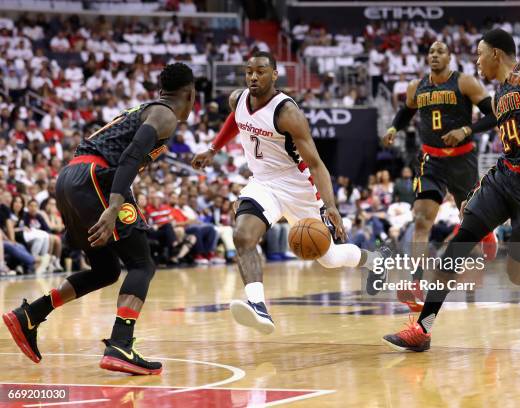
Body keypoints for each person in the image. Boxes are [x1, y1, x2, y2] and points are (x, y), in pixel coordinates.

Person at [382, 28, 520, 352]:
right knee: (459, 243)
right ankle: (422, 330)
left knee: (519, 274)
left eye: (480, 53)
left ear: (495, 53)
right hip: (507, 175)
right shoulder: (498, 94)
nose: (477, 61)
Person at [2, 63, 195, 374]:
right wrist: (114, 204)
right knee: (142, 264)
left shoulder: (147, 109)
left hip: (70, 178)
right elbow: (131, 156)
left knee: (105, 269)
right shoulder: (165, 114)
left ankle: (30, 314)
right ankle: (121, 343)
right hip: (95, 178)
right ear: (190, 93)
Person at [192, 52, 390, 334]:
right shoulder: (238, 100)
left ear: (274, 74)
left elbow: (316, 164)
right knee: (242, 236)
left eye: (260, 71)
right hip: (262, 183)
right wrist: (213, 149)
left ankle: (373, 260)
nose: (253, 77)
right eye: (249, 71)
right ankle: (258, 305)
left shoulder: (287, 113)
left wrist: (331, 205)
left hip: (298, 187)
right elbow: (236, 120)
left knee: (330, 259)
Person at [378, 41, 498, 299]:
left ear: (450, 57)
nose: (434, 55)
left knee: (470, 217)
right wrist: (393, 128)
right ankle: (415, 282)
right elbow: (405, 112)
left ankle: (485, 234)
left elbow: (494, 115)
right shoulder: (416, 87)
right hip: (431, 161)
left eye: (440, 51)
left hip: (462, 160)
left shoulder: (465, 83)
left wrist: (466, 130)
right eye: (431, 52)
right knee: (422, 218)